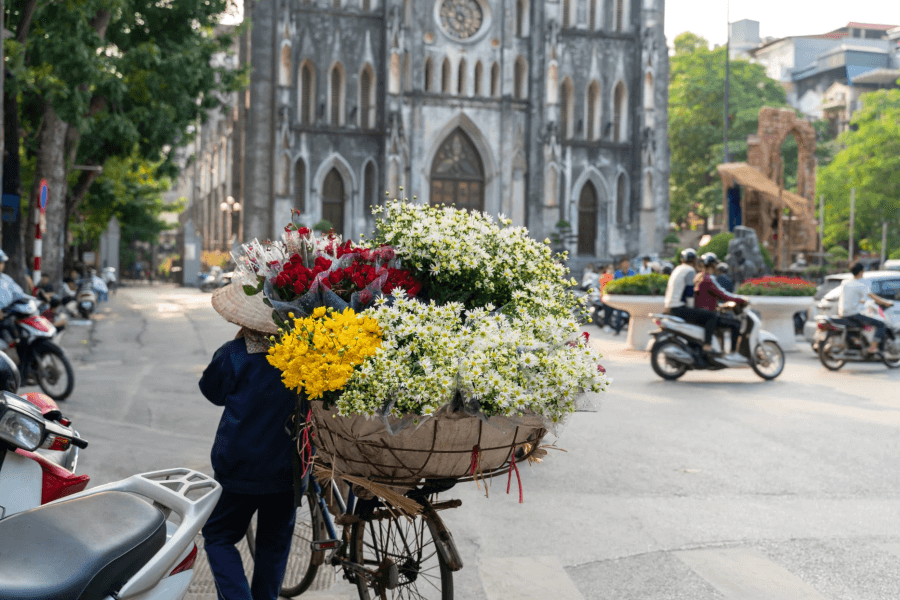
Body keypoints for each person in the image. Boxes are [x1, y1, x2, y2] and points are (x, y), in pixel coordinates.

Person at [200, 284, 301, 600]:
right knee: (274, 546)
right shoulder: (303, 356)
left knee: (218, 535)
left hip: (238, 467)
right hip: (288, 468)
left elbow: (212, 392)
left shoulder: (233, 354)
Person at [664, 249, 719, 353]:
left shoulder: (677, 269)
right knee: (712, 316)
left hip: (669, 307)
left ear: (682, 259)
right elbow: (689, 293)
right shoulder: (689, 270)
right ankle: (707, 345)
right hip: (678, 308)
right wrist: (692, 307)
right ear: (694, 260)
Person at [694, 253, 747, 355]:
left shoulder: (699, 277)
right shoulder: (708, 279)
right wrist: (741, 299)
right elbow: (724, 295)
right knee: (736, 324)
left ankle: (722, 351)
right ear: (713, 265)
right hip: (708, 314)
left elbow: (709, 297)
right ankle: (733, 352)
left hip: (702, 312)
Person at [838, 262, 894, 354]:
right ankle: (873, 347)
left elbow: (850, 297)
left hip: (842, 313)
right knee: (881, 324)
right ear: (861, 272)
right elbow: (872, 296)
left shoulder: (845, 283)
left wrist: (861, 301)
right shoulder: (860, 284)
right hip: (853, 314)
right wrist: (886, 303)